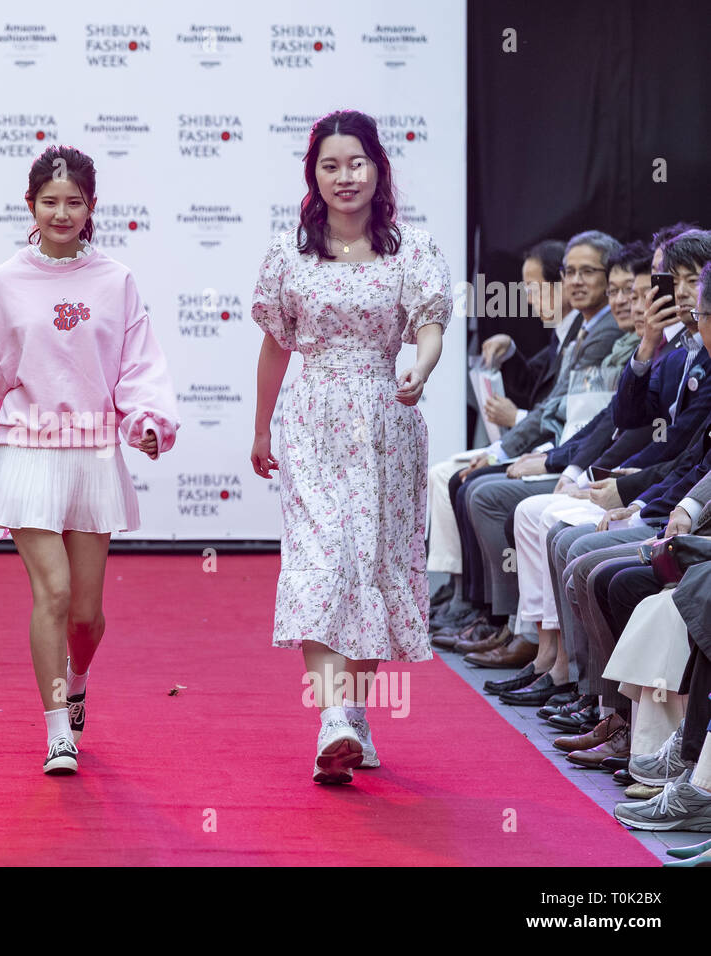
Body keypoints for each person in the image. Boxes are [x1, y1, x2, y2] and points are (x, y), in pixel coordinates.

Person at [0, 145, 179, 775]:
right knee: (55, 590)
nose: (62, 213)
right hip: (25, 449)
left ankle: (77, 683)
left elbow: (138, 366)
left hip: (92, 454)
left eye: (74, 202)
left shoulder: (116, 281)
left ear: (92, 207)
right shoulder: (6, 282)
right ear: (31, 206)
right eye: (50, 202)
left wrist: (148, 422)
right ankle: (56, 732)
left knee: (87, 616)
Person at [250, 109, 451, 785]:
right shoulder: (289, 255)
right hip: (312, 420)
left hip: (386, 421)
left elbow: (428, 328)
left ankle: (355, 717)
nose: (345, 177)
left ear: (378, 170)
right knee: (321, 561)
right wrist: (259, 427)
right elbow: (276, 345)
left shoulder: (411, 251)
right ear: (313, 174)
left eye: (356, 163)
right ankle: (333, 716)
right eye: (330, 165)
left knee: (372, 563)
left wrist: (420, 368)